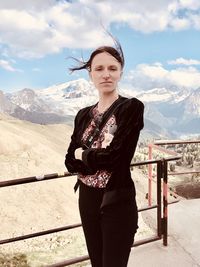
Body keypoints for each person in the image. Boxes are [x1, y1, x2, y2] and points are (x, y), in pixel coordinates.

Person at [65, 39, 144, 267]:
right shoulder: (82, 115)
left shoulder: (131, 108)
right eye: (99, 69)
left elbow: (117, 158)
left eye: (112, 68)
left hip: (117, 200)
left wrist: (84, 155)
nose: (106, 74)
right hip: (87, 199)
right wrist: (88, 156)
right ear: (90, 74)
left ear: (120, 72)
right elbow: (69, 161)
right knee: (97, 263)